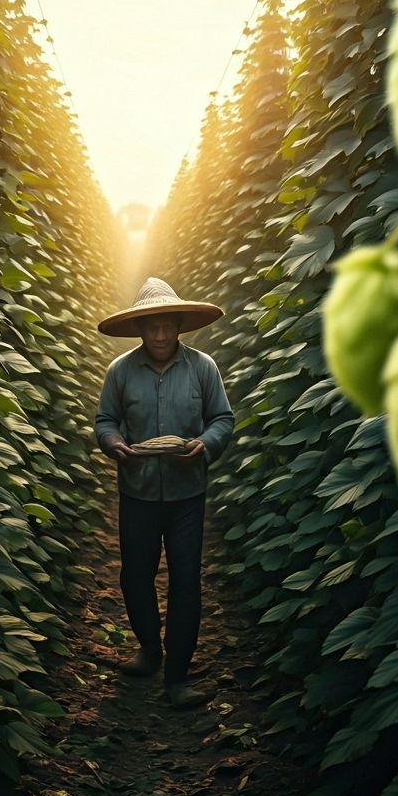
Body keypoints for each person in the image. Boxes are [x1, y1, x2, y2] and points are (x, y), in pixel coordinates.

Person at [94, 276, 234, 709]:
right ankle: (149, 652)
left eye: (167, 326)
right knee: (135, 575)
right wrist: (113, 443)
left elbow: (222, 419)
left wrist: (204, 444)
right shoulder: (120, 371)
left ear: (179, 326)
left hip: (186, 494)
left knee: (186, 582)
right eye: (151, 327)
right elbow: (105, 421)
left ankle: (177, 677)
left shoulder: (203, 368)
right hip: (136, 491)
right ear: (140, 329)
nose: (159, 335)